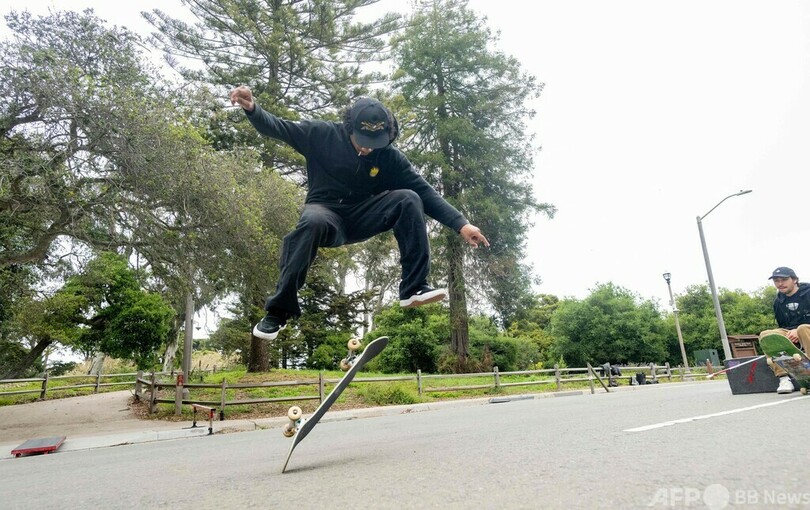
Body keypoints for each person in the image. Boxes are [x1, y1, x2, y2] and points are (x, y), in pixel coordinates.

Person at [229, 86, 490, 340]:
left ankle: (414, 287)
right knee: (312, 222)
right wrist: (253, 109)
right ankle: (277, 312)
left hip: (365, 216)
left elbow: (425, 192)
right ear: (349, 128)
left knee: (409, 198)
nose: (367, 149)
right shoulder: (321, 134)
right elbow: (279, 127)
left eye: (375, 144)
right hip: (325, 212)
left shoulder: (390, 157)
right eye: (363, 142)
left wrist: (461, 224)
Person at [759, 266, 810, 394]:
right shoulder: (778, 302)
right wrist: (789, 336)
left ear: (795, 280)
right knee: (766, 334)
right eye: (776, 281)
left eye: (784, 280)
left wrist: (798, 331)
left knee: (802, 328)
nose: (780, 284)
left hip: (806, 330)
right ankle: (784, 378)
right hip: (791, 332)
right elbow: (783, 325)